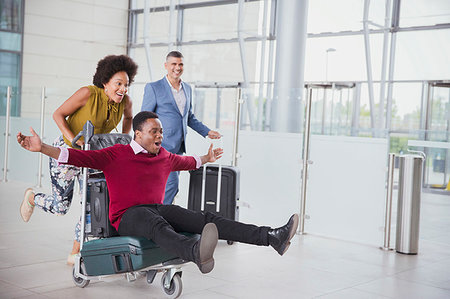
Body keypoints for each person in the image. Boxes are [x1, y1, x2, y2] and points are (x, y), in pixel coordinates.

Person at [17, 111, 299, 274]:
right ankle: (193, 251)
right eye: (154, 131)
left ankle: (271, 237)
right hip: (125, 217)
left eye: (161, 131)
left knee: (205, 218)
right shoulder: (116, 154)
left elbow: (189, 162)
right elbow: (78, 158)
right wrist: (42, 148)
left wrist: (206, 158)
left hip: (153, 208)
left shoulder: (164, 156)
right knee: (155, 221)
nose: (160, 136)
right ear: (138, 134)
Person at [19, 55, 138, 264]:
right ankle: (32, 198)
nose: (123, 89)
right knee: (60, 207)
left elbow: (129, 118)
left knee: (93, 204)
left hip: (93, 157)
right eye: (118, 83)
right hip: (65, 153)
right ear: (105, 83)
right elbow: (58, 114)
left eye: (126, 84)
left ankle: (76, 251)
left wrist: (121, 141)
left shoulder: (125, 102)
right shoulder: (87, 94)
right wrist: (75, 141)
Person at [141, 51, 221, 205]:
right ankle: (160, 218)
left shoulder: (187, 89)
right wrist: (144, 146)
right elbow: (145, 118)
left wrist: (207, 132)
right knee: (171, 185)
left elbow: (188, 117)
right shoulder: (154, 87)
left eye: (180, 64)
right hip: (161, 146)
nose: (177, 67)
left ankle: (159, 217)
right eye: (173, 64)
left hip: (179, 146)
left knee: (166, 186)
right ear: (166, 66)